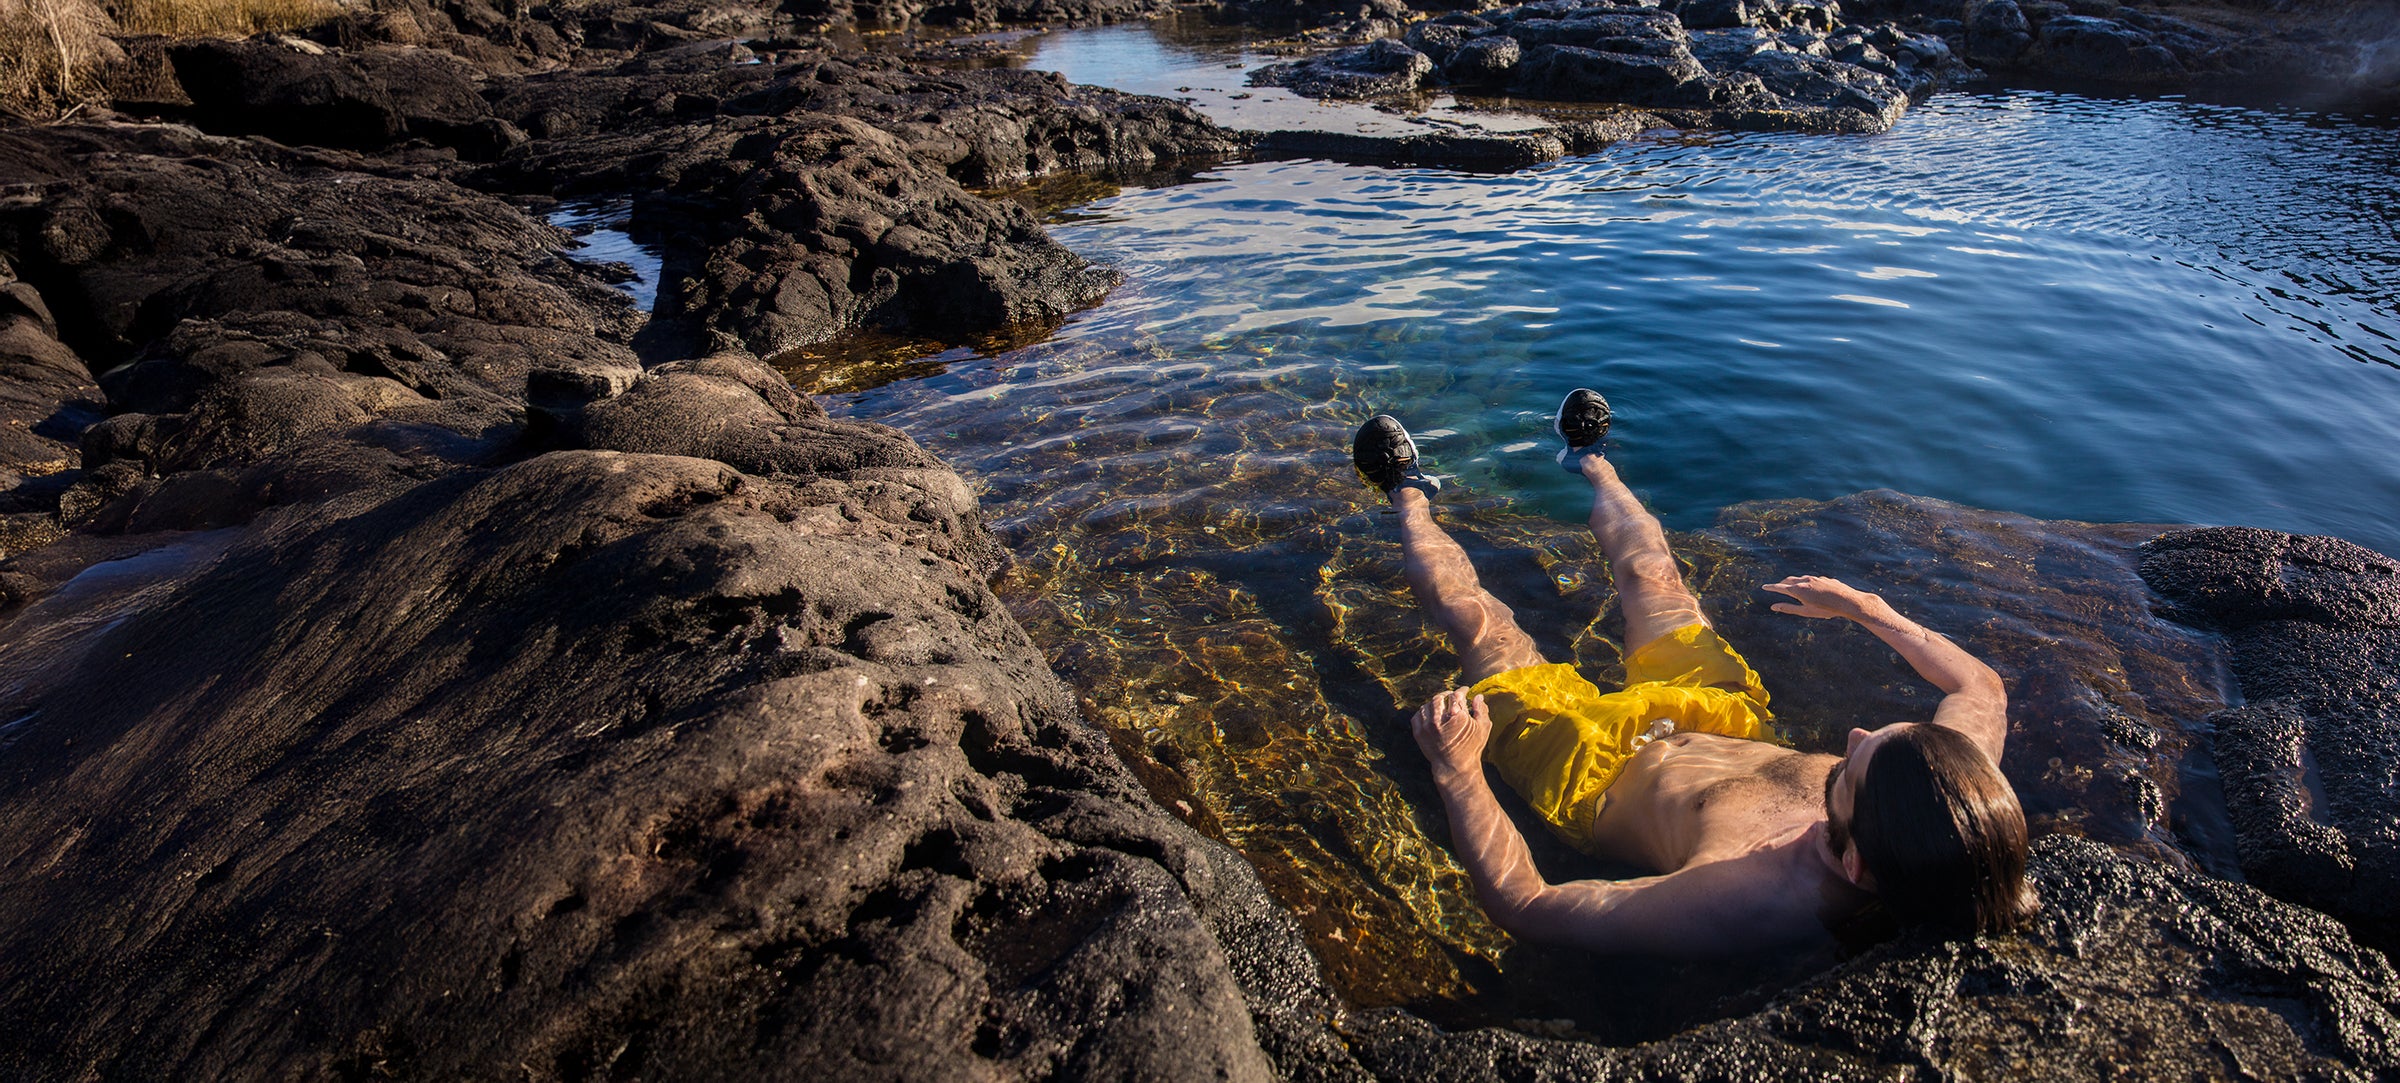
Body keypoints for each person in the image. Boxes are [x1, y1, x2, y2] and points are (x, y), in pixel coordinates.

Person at [1350, 389, 2035, 954]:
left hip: (1594, 771)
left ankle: (1406, 493)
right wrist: (1865, 607)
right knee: (1653, 573)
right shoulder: (1948, 796)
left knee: (1481, 625)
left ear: (1854, 865)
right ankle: (1589, 459)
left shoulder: (1744, 891)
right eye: (1879, 736)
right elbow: (1980, 688)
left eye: (1850, 768)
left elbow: (1530, 905)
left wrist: (1459, 771)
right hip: (1717, 711)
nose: (1851, 735)